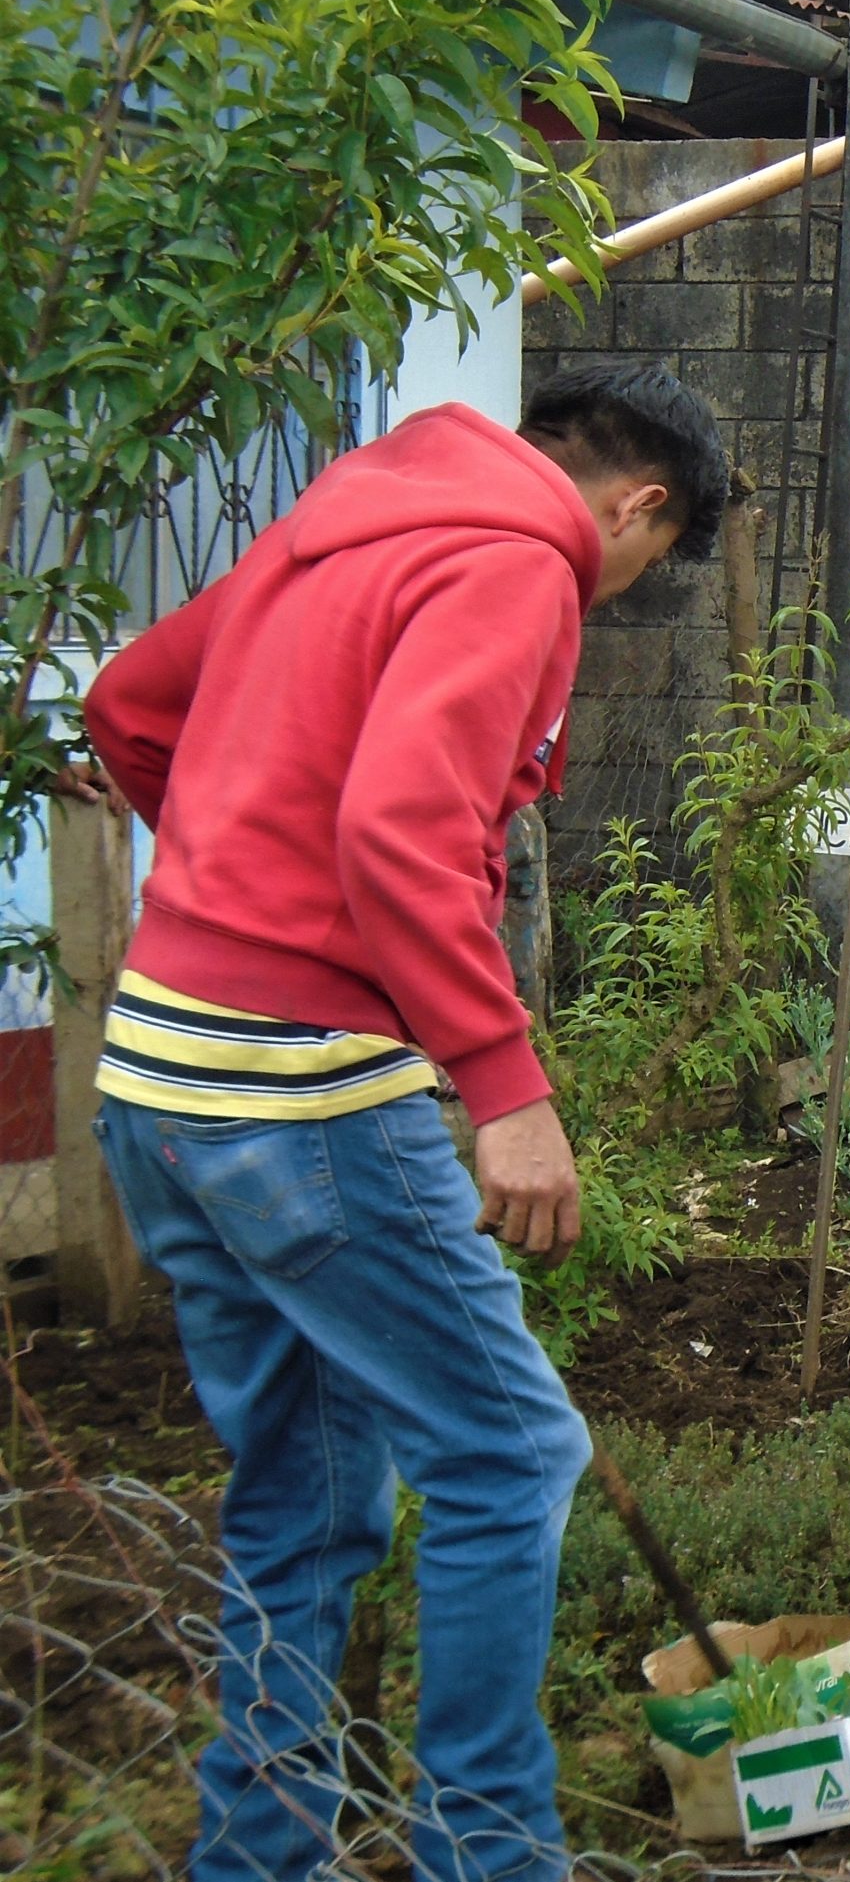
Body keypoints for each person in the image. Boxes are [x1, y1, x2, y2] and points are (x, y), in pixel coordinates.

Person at [83, 363, 730, 1882]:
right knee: (509, 1454)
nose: (622, 589)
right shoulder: (521, 561)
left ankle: (257, 1856)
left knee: (306, 1497)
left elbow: (126, 707)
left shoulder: (345, 519)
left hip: (160, 1077)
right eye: (649, 563)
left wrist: (245, 892)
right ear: (641, 505)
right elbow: (397, 830)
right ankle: (492, 1857)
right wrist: (506, 1089)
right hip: (299, 1096)